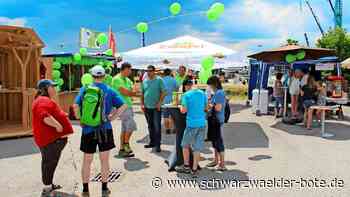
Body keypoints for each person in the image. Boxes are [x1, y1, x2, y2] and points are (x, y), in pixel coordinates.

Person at [74, 65, 127, 197]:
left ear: (92, 76)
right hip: (105, 129)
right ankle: (104, 188)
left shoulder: (85, 89)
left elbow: (75, 105)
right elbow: (123, 105)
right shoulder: (109, 90)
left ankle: (85, 190)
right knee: (104, 160)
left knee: (87, 160)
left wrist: (80, 119)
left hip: (88, 130)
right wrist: (112, 117)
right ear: (104, 76)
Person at [32, 79, 74, 196]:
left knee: (51, 162)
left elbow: (50, 113)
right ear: (45, 89)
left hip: (52, 140)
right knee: (49, 163)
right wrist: (58, 125)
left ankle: (49, 185)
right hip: (50, 140)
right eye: (52, 87)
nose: (55, 89)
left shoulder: (43, 100)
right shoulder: (42, 100)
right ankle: (47, 189)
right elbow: (44, 116)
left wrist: (62, 116)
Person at [177, 79, 208, 177]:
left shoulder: (186, 95)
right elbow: (206, 108)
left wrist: (179, 106)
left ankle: (186, 167)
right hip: (202, 123)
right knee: (197, 148)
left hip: (191, 124)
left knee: (185, 145)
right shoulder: (203, 94)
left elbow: (183, 111)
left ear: (186, 86)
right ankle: (194, 170)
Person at [112, 62, 138, 158]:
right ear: (124, 69)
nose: (130, 72)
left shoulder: (127, 80)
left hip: (128, 106)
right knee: (131, 125)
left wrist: (134, 91)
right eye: (129, 70)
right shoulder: (116, 79)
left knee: (125, 128)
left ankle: (122, 149)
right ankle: (126, 144)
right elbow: (127, 92)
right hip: (121, 106)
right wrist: (134, 92)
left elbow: (134, 89)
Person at [141, 65, 166, 152]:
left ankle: (158, 145)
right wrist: (142, 104)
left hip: (156, 107)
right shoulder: (144, 81)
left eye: (150, 70)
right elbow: (142, 93)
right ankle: (152, 142)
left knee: (157, 126)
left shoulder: (159, 80)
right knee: (150, 125)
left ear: (154, 71)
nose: (149, 72)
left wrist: (159, 103)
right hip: (147, 107)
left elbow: (164, 92)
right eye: (147, 70)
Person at [206, 76, 227, 171]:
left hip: (217, 120)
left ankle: (222, 164)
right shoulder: (218, 93)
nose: (209, 87)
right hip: (215, 120)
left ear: (214, 84)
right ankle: (216, 160)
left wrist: (210, 105)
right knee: (215, 141)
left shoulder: (219, 93)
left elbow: (218, 107)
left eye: (210, 85)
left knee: (218, 142)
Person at [162, 68, 179, 134]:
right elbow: (177, 88)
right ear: (170, 73)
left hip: (164, 100)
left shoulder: (162, 80)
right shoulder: (174, 80)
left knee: (165, 116)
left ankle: (167, 129)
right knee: (172, 116)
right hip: (172, 100)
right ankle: (174, 128)